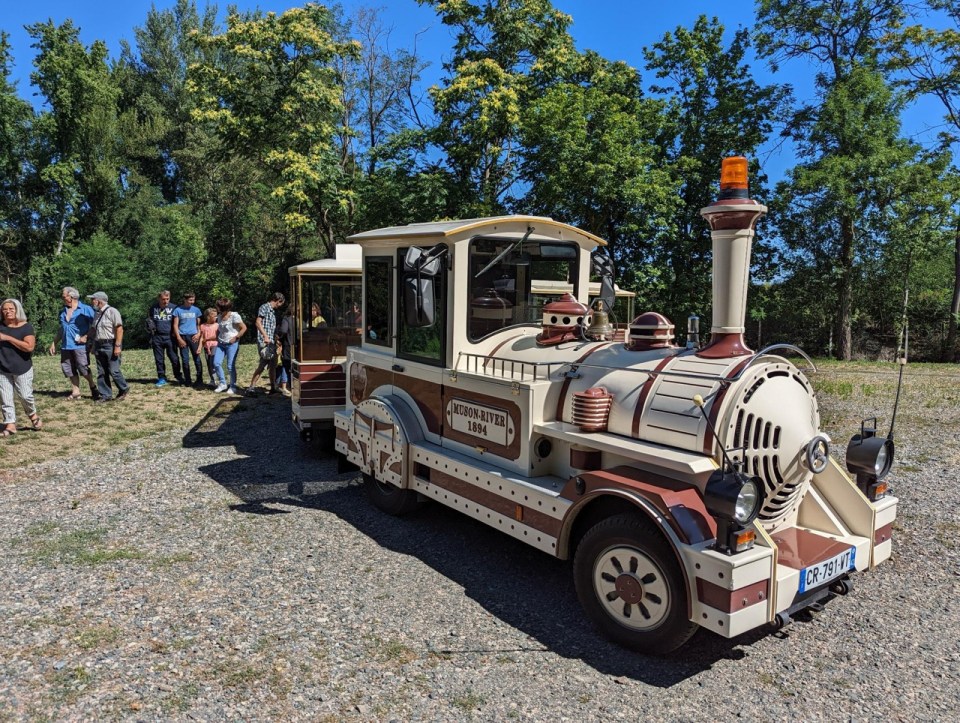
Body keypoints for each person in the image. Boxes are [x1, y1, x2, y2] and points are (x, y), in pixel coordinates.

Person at [47, 286, 98, 400]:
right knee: (69, 369)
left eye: (63, 296)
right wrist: (54, 343)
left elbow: (95, 326)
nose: (62, 298)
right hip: (66, 346)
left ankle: (92, 385)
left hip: (80, 346)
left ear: (71, 297)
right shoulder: (63, 311)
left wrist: (86, 337)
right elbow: (62, 329)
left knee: (83, 368)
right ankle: (76, 391)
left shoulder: (86, 309)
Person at [0, 299, 41, 436]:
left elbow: (29, 347)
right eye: (5, 309)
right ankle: (10, 424)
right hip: (2, 368)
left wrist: (8, 338)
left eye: (11, 309)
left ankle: (33, 415)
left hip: (22, 367)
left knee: (25, 396)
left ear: (17, 310)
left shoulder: (26, 327)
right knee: (5, 398)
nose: (8, 312)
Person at [87, 292, 129, 403]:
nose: (92, 302)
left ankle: (124, 388)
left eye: (93, 299)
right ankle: (106, 395)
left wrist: (117, 346)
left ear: (99, 301)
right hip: (99, 344)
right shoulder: (97, 314)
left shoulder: (112, 311)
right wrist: (91, 344)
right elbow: (94, 329)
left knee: (113, 370)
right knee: (101, 371)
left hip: (110, 344)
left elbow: (119, 329)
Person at [246, 292, 285, 395]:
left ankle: (273, 387)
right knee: (263, 364)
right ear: (278, 301)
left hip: (272, 342)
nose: (280, 306)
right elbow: (258, 322)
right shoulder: (264, 307)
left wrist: (275, 339)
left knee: (273, 364)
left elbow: (272, 327)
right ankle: (251, 387)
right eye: (281, 303)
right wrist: (265, 336)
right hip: (264, 342)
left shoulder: (273, 312)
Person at [147, 290, 182, 387]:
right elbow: (150, 321)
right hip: (157, 337)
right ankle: (161, 377)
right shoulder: (153, 308)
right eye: (163, 299)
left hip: (170, 336)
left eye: (167, 299)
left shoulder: (174, 307)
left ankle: (178, 376)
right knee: (159, 359)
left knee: (174, 358)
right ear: (159, 298)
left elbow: (178, 322)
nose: (165, 301)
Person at [213, 298, 246, 394]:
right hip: (221, 343)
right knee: (216, 363)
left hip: (232, 344)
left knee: (230, 366)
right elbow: (219, 329)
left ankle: (232, 386)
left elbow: (244, 328)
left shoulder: (234, 316)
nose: (216, 308)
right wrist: (217, 337)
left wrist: (236, 337)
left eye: (218, 307)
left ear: (224, 308)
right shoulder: (219, 316)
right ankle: (223, 383)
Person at [172, 292, 204, 386]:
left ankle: (199, 379)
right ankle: (188, 380)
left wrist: (198, 334)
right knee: (185, 360)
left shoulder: (196, 310)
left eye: (193, 300)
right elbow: (175, 325)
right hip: (182, 336)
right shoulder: (178, 310)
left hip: (194, 336)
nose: (192, 302)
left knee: (197, 358)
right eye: (190, 300)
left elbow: (198, 324)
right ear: (185, 300)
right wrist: (179, 338)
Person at [198, 308, 220, 388]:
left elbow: (217, 336)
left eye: (216, 316)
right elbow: (201, 338)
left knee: (213, 362)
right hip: (206, 347)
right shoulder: (202, 326)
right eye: (214, 316)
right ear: (208, 316)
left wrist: (207, 339)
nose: (216, 317)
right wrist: (199, 347)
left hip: (215, 345)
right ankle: (213, 380)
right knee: (209, 364)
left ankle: (218, 379)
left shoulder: (217, 325)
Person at [276, 306, 294, 397]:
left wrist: (278, 337)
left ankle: (292, 389)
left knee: (288, 369)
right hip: (300, 349)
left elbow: (283, 330)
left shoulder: (287, 320)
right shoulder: (301, 321)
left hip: (288, 348)